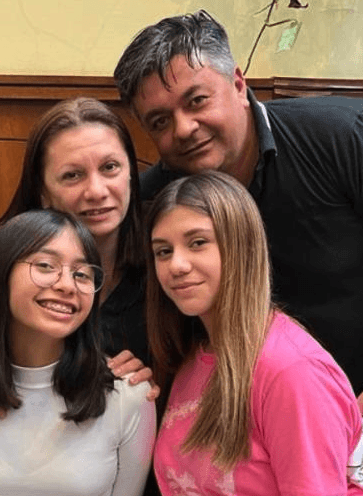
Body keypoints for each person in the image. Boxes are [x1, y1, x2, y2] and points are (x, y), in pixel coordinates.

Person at [113, 10, 363, 406]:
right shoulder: (152, 202)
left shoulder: (340, 137)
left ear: (238, 84)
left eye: (197, 100)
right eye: (160, 122)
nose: (183, 128)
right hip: (234, 416)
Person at [0, 97, 156, 432]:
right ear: (43, 192)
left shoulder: (165, 257)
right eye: (72, 175)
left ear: (131, 174)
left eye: (110, 167)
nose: (97, 190)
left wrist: (154, 381)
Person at [0, 210, 156, 496]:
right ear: (2, 274)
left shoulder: (129, 393)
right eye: (46, 265)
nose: (67, 285)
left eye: (81, 274)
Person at [146, 171, 363, 495]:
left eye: (197, 243)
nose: (176, 265)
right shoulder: (193, 358)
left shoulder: (291, 371)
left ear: (242, 246)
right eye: (163, 251)